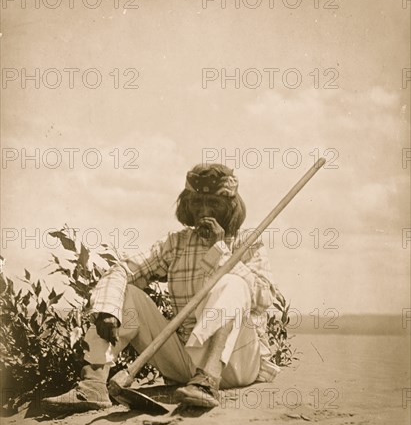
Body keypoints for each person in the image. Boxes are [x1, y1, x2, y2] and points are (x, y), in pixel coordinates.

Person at [42, 164, 280, 412]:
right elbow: (124, 270)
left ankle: (208, 381)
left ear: (230, 208)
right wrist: (109, 310)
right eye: (197, 203)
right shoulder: (176, 244)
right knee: (124, 293)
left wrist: (220, 250)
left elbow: (264, 298)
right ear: (187, 204)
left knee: (232, 282)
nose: (204, 211)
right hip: (185, 365)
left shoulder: (247, 242)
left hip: (236, 364)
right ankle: (93, 385)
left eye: (214, 204)